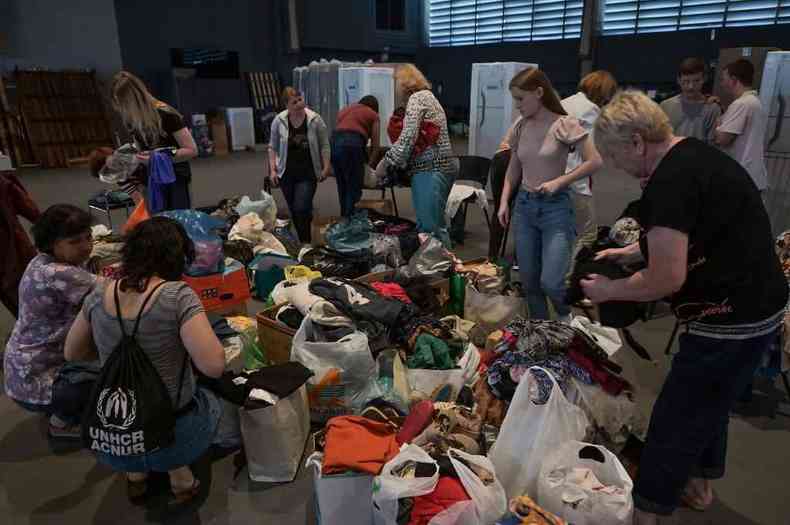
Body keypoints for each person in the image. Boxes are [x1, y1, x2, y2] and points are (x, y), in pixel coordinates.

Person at [582, 91, 787, 524]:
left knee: (678, 416)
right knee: (712, 402)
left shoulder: (669, 183)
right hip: (759, 305)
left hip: (730, 316)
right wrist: (634, 252)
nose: (615, 164)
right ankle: (700, 484)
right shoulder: (693, 156)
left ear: (637, 142)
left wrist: (607, 292)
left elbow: (666, 279)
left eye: (615, 154)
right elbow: (696, 229)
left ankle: (647, 510)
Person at [64, 217, 225, 504]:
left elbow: (72, 354)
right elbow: (213, 365)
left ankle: (135, 476)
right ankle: (180, 478)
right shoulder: (177, 296)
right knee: (210, 397)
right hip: (169, 434)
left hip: (112, 437)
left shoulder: (100, 292)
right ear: (178, 256)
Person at [497, 67, 602, 321]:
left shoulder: (565, 124)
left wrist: (561, 181)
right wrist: (503, 201)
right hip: (524, 207)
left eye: (521, 99)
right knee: (530, 282)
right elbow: (514, 167)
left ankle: (567, 321)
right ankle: (542, 333)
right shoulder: (521, 126)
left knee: (552, 282)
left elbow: (594, 161)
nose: (517, 105)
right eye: (515, 99)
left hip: (555, 208)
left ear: (539, 93)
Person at [3, 204, 98, 439]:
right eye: (75, 241)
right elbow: (116, 292)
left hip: (22, 370)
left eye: (89, 237)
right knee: (111, 380)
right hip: (36, 376)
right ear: (51, 243)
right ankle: (61, 422)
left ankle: (59, 406)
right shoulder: (58, 273)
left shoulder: (39, 262)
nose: (87, 246)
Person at [376, 64, 457, 247]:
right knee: (431, 225)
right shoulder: (428, 97)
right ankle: (439, 270)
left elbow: (407, 139)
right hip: (437, 167)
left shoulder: (417, 99)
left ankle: (443, 272)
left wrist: (385, 163)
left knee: (431, 229)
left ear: (403, 84)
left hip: (431, 169)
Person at [111, 71, 198, 210]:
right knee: (156, 222)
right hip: (152, 178)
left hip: (174, 178)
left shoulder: (166, 113)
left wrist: (160, 156)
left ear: (135, 99)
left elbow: (192, 150)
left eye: (124, 103)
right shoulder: (131, 118)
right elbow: (141, 148)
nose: (122, 109)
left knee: (176, 221)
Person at [562, 70, 618, 253]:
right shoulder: (591, 111)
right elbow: (591, 154)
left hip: (550, 177)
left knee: (560, 230)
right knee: (587, 234)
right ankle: (571, 275)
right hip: (575, 182)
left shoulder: (565, 103)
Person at [269, 87, 331, 243]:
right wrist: (272, 170)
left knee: (301, 207)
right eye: (294, 102)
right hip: (286, 173)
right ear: (286, 105)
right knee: (295, 211)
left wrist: (326, 166)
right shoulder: (279, 120)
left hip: (308, 173)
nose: (298, 103)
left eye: (300, 99)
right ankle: (304, 241)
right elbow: (272, 147)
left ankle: (305, 242)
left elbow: (325, 145)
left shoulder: (315, 119)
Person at [714, 59, 769, 192]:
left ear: (733, 80)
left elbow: (723, 139)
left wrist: (717, 124)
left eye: (724, 79)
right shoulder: (754, 102)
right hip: (753, 175)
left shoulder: (742, 104)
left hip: (743, 176)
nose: (722, 84)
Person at [0, 169, 41, 317]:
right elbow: (33, 212)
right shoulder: (4, 183)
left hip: (12, 252)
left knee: (13, 299)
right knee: (31, 294)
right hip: (14, 252)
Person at [332, 95, 381, 217]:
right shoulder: (373, 114)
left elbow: (339, 131)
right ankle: (350, 224)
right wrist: (368, 168)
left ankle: (344, 220)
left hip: (334, 144)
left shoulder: (344, 110)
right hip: (353, 145)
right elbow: (376, 147)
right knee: (353, 188)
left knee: (342, 187)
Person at [660, 57, 721, 143]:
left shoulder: (712, 109)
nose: (691, 86)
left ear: (704, 79)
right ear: (679, 80)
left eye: (696, 81)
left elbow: (713, 144)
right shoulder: (666, 106)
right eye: (686, 81)